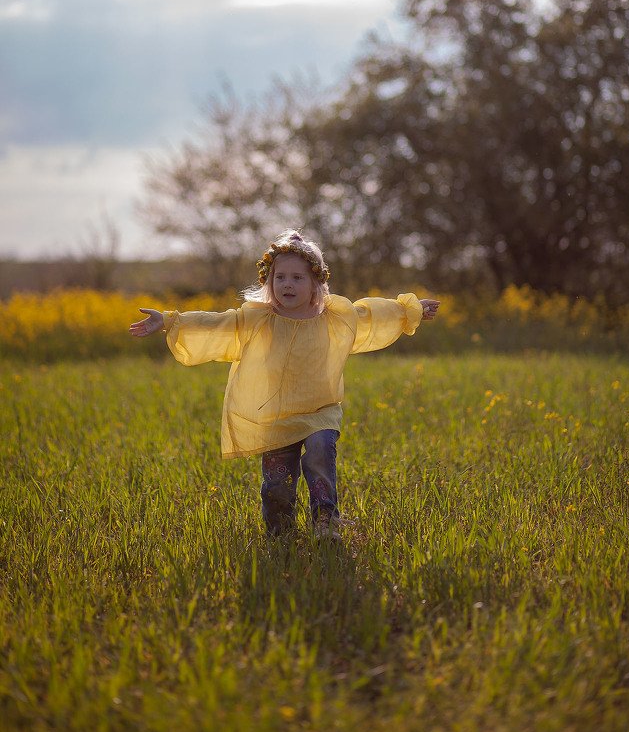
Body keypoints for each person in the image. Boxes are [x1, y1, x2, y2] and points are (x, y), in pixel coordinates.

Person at [129, 230, 439, 540]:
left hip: (320, 409)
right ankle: (281, 532)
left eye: (297, 278)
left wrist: (411, 310)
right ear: (269, 281)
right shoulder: (258, 319)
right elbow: (217, 323)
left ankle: (325, 521)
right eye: (280, 277)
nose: (287, 284)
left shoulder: (333, 317)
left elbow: (371, 315)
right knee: (278, 482)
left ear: (316, 283)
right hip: (275, 415)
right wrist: (170, 321)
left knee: (320, 452)